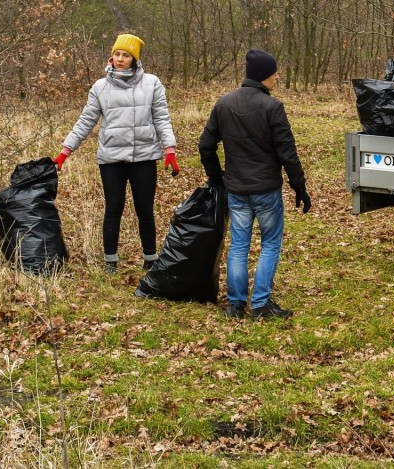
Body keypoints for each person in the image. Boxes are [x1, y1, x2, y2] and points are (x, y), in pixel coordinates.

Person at [198, 49, 311, 320]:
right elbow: (287, 152)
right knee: (270, 244)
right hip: (266, 191)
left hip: (237, 189)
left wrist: (217, 177)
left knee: (239, 244)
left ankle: (236, 306)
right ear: (263, 76)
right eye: (274, 72)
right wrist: (300, 187)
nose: (277, 77)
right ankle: (260, 305)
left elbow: (205, 145)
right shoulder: (272, 107)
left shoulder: (224, 103)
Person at [55, 33, 178, 274]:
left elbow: (162, 118)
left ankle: (150, 258)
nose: (120, 59)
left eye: (126, 55)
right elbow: (85, 121)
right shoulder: (100, 87)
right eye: (117, 54)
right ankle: (110, 261)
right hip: (111, 159)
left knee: (145, 208)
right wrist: (65, 151)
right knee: (113, 208)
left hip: (143, 157)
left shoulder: (152, 83)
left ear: (135, 59)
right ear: (112, 56)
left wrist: (169, 149)